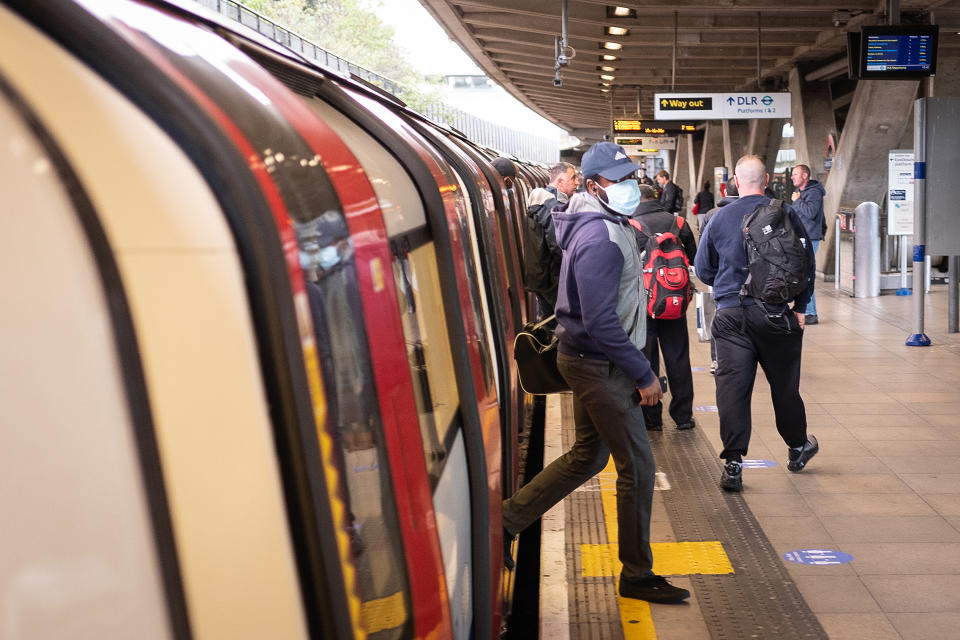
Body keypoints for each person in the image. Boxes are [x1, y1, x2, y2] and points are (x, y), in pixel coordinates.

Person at [502, 142, 690, 604]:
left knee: (588, 457)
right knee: (639, 467)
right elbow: (601, 321)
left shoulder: (604, 224)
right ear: (593, 186)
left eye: (630, 178)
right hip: (598, 366)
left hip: (591, 361)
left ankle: (505, 522)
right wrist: (644, 373)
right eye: (618, 181)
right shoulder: (598, 239)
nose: (630, 187)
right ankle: (636, 574)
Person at [694, 155, 819, 492]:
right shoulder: (785, 212)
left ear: (735, 181)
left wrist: (727, 284)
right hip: (777, 313)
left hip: (731, 315)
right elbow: (806, 263)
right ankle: (797, 447)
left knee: (732, 389)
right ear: (766, 181)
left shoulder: (718, 218)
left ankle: (733, 464)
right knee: (784, 386)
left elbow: (703, 269)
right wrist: (801, 307)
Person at [630, 183, 698, 432]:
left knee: (647, 360)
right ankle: (683, 417)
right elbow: (694, 258)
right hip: (674, 302)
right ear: (655, 198)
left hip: (644, 305)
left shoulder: (631, 226)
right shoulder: (678, 223)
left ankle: (652, 418)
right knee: (678, 357)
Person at [522, 162, 578, 317]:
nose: (577, 182)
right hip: (553, 278)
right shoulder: (552, 207)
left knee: (550, 320)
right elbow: (558, 244)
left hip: (540, 276)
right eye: (573, 178)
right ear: (559, 182)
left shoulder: (540, 202)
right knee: (565, 322)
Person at [699, 178, 738, 375]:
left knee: (718, 315)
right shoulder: (757, 211)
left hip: (719, 278)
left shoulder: (712, 215)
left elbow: (702, 251)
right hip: (749, 278)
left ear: (724, 191)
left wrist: (710, 277)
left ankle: (716, 360)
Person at [790, 164, 826, 325]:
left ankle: (810, 312)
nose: (792, 177)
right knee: (803, 274)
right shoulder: (804, 192)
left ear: (805, 176)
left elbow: (811, 213)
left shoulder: (814, 192)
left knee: (806, 275)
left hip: (810, 238)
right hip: (804, 237)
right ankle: (806, 310)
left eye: (795, 174)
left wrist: (797, 201)